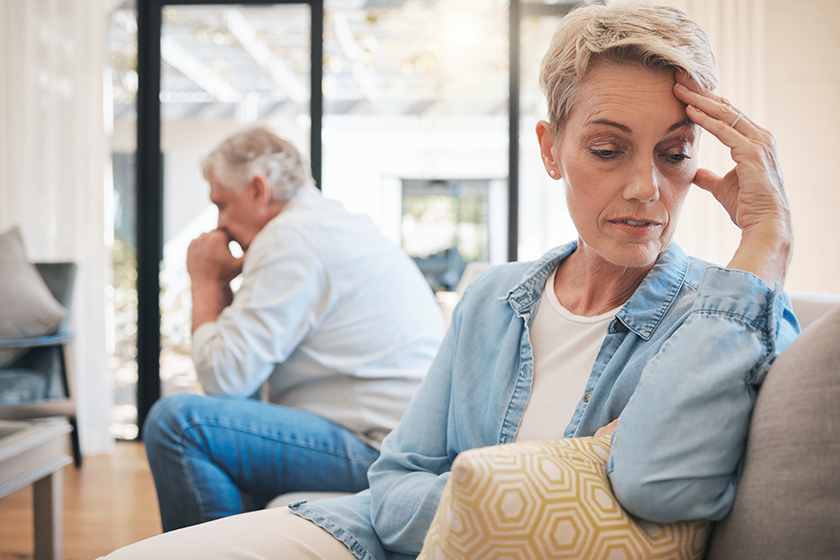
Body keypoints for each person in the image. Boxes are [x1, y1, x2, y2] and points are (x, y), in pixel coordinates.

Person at [103, 2, 798, 558]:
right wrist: (506, 495)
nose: (648, 187)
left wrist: (767, 241)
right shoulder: (495, 298)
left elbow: (659, 485)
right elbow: (393, 487)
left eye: (675, 152)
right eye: (608, 149)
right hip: (365, 534)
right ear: (551, 150)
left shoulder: (730, 315)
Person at [142, 128, 445, 532]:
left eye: (222, 204)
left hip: (377, 448)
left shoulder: (290, 237)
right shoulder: (320, 224)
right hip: (388, 438)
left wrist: (205, 281)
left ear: (257, 190)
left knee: (179, 425)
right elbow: (243, 375)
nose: (221, 224)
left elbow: (224, 378)